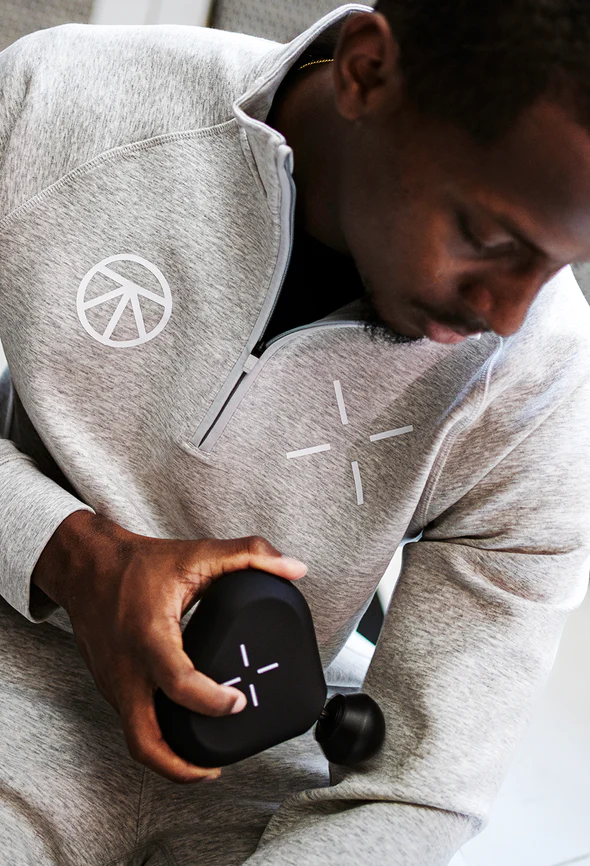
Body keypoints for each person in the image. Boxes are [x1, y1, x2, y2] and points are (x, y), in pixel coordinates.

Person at [0, 1, 590, 863]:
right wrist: (72, 555)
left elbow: (415, 788)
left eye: (561, 262)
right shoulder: (57, 102)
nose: (508, 315)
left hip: (275, 759)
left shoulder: (546, 378)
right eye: (489, 237)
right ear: (366, 73)